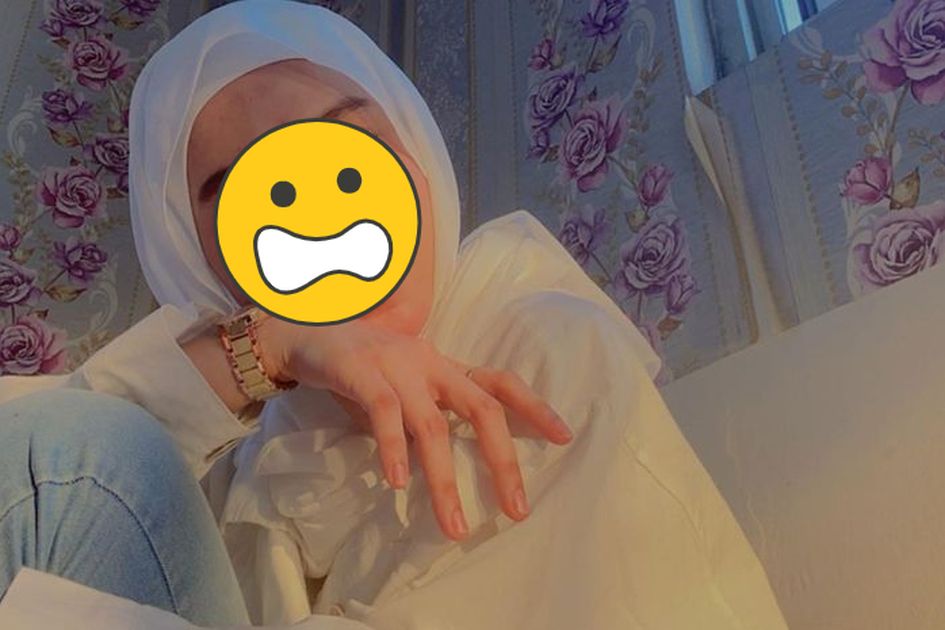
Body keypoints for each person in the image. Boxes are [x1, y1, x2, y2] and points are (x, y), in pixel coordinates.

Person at [0, 1, 788, 629]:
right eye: (247, 188)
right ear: (196, 257)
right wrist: (264, 349)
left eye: (345, 148)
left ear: (413, 154)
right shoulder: (245, 458)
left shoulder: (541, 348)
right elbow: (43, 482)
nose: (317, 216)